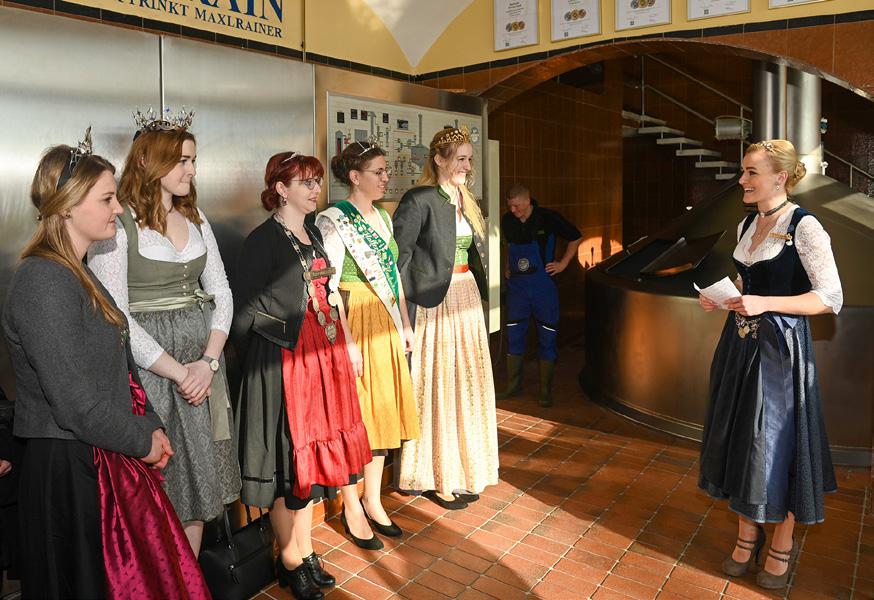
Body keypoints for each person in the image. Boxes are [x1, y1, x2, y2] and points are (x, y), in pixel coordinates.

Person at [2, 133, 209, 598]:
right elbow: (74, 401)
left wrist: (151, 424)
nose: (118, 209)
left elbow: (122, 368)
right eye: (107, 199)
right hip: (67, 468)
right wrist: (142, 440)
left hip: (102, 452)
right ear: (67, 207)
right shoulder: (42, 280)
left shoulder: (78, 271)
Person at [88, 110, 241, 556]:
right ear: (149, 162)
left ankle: (188, 577)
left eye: (193, 160)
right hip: (150, 375)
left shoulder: (196, 218)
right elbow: (116, 313)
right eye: (182, 161)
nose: (191, 170)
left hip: (202, 371)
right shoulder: (119, 225)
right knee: (162, 483)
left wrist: (209, 363)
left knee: (200, 485)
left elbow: (222, 292)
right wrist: (180, 372)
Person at [697, 140, 841, 590]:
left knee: (777, 444)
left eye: (751, 172)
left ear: (779, 177)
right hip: (739, 347)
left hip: (780, 351)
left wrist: (765, 302)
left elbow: (829, 298)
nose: (742, 180)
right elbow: (750, 280)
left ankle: (782, 539)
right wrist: (726, 296)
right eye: (743, 171)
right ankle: (746, 534)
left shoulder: (805, 226)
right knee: (741, 439)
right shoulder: (748, 222)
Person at [232, 151, 373, 600]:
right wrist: (275, 352)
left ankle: (304, 550)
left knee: (308, 461)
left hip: (322, 355)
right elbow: (243, 312)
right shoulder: (262, 241)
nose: (315, 189)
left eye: (316, 181)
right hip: (285, 361)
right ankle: (291, 558)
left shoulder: (311, 232)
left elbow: (328, 294)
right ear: (280, 189)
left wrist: (345, 343)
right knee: (286, 461)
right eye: (305, 182)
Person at [317, 142, 420, 540]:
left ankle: (374, 499)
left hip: (386, 318)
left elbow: (394, 274)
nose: (385, 178)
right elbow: (327, 286)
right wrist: (346, 341)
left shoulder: (383, 216)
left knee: (382, 412)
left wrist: (405, 322)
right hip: (355, 317)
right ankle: (351, 504)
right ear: (355, 177)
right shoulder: (334, 220)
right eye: (378, 172)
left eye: (385, 171)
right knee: (356, 415)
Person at [392, 126, 499, 510]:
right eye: (461, 159)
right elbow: (397, 260)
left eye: (470, 159)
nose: (468, 166)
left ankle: (464, 467)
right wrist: (404, 317)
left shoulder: (465, 199)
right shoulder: (418, 199)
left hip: (465, 295)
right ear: (439, 159)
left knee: (466, 383)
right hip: (435, 303)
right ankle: (436, 475)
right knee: (439, 384)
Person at [497, 184, 582, 407]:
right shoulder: (508, 221)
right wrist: (507, 265)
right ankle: (513, 385)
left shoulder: (548, 218)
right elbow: (509, 245)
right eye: (510, 206)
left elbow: (575, 237)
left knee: (547, 335)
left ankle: (545, 390)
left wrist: (563, 264)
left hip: (543, 287)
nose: (513, 210)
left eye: (516, 206)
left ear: (528, 201)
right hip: (517, 288)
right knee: (514, 334)